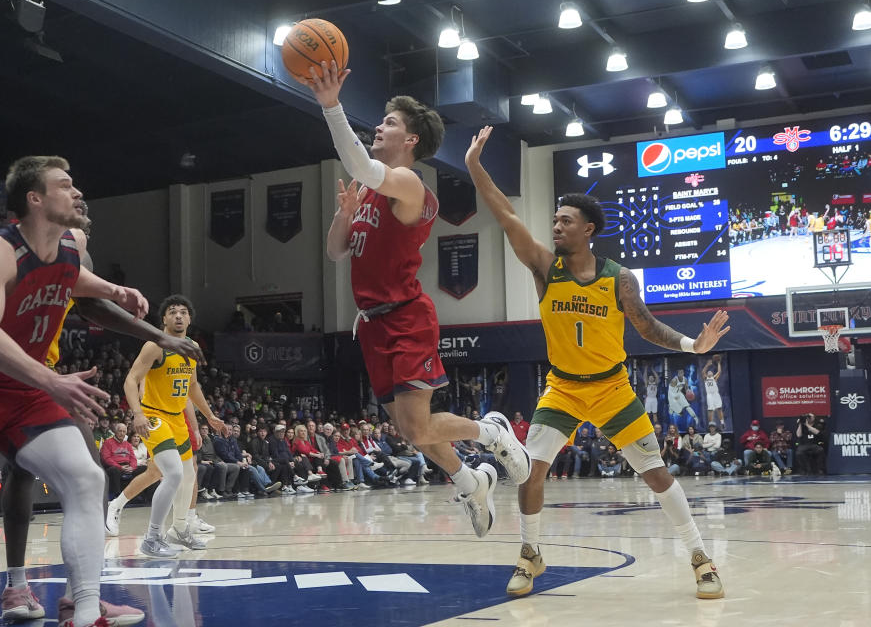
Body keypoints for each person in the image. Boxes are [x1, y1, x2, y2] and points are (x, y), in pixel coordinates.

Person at [465, 126, 728, 599]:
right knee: (531, 470)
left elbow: (647, 327)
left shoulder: (619, 279)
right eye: (555, 220)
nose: (556, 226)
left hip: (612, 388)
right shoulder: (547, 269)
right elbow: (506, 215)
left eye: (565, 220)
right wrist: (475, 167)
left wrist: (693, 346)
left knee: (656, 474)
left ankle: (701, 557)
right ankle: (530, 554)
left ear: (587, 229)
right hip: (562, 387)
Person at [0, 198, 203, 624]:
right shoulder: (6, 250)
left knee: (79, 470)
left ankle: (76, 598)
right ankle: (18, 584)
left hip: (33, 381)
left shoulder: (74, 254)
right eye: (66, 187)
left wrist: (158, 334)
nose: (78, 196)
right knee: (24, 474)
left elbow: (93, 304)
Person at [300, 60, 529, 537]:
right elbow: (336, 252)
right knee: (410, 431)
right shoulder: (367, 188)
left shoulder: (408, 184)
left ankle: (492, 431)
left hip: (406, 317)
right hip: (373, 324)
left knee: (420, 429)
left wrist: (331, 107)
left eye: (389, 123)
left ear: (410, 141)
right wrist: (344, 215)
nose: (379, 127)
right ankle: (472, 481)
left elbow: (360, 163)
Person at [124, 295, 216, 557]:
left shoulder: (192, 347)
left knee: (188, 476)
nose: (178, 316)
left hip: (177, 419)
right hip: (154, 417)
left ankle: (179, 530)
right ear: (163, 318)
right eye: (172, 312)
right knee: (174, 474)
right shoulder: (155, 346)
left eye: (183, 312)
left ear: (189, 319)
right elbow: (131, 380)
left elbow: (193, 386)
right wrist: (137, 414)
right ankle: (152, 538)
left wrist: (209, 416)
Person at [100, 423, 146, 498]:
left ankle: (139, 495)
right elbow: (106, 459)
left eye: (124, 431)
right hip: (114, 467)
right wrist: (120, 467)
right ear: (115, 431)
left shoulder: (127, 444)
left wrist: (132, 467)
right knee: (115, 470)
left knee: (143, 469)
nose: (122, 433)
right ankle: (118, 497)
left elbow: (133, 458)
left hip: (127, 466)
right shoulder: (107, 443)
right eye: (120, 431)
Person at [701, 356, 725, 429]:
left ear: (712, 374)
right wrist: (707, 365)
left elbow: (719, 372)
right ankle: (710, 424)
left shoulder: (714, 378)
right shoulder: (705, 378)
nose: (709, 372)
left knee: (719, 408)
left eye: (710, 371)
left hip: (715, 394)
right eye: (708, 372)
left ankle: (722, 422)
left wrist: (718, 363)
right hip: (710, 395)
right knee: (710, 410)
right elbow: (703, 372)